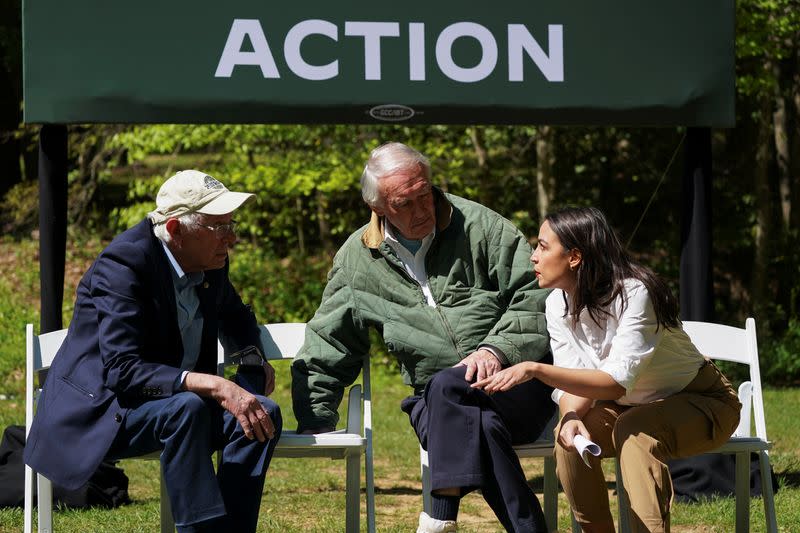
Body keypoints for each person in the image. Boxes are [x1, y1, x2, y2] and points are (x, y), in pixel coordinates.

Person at [291, 142, 555, 533]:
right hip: (434, 401)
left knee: (453, 389)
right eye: (405, 203)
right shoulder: (357, 259)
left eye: (425, 195)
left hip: (516, 386)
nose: (421, 210)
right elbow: (332, 338)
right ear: (379, 208)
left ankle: (439, 515)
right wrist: (316, 414)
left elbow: (536, 296)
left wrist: (496, 349)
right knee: (467, 409)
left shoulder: (481, 226)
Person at [24, 170, 282, 533]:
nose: (232, 238)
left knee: (261, 414)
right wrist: (216, 385)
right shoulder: (123, 265)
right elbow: (122, 370)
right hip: (107, 410)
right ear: (176, 230)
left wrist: (251, 358)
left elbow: (235, 316)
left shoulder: (209, 260)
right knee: (187, 408)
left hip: (171, 405)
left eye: (231, 224)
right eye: (218, 227)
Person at [472, 206, 741, 533]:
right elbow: (576, 382)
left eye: (543, 247)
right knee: (567, 437)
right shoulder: (557, 303)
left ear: (574, 257)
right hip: (628, 407)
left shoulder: (633, 293)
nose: (533, 257)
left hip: (703, 401)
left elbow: (614, 383)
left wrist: (535, 369)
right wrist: (570, 417)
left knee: (634, 429)